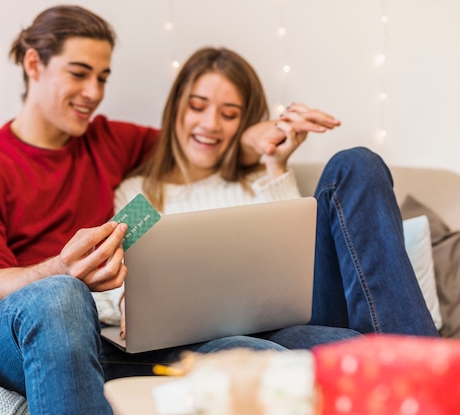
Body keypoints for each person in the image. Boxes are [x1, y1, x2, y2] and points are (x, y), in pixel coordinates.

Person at [0, 6, 356, 414]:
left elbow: (191, 139)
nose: (94, 94)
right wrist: (58, 271)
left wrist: (256, 137)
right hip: (16, 335)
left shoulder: (107, 141)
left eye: (102, 78)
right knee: (61, 295)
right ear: (33, 64)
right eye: (79, 74)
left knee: (261, 354)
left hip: (103, 337)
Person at [95, 47, 439, 344]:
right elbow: (109, 288)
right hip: (223, 340)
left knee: (357, 164)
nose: (210, 124)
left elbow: (300, 271)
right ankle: (409, 369)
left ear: (245, 122)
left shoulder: (260, 179)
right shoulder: (138, 193)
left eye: (229, 114)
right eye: (197, 107)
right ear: (176, 110)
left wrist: (276, 167)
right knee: (344, 344)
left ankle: (419, 366)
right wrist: (132, 301)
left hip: (294, 319)